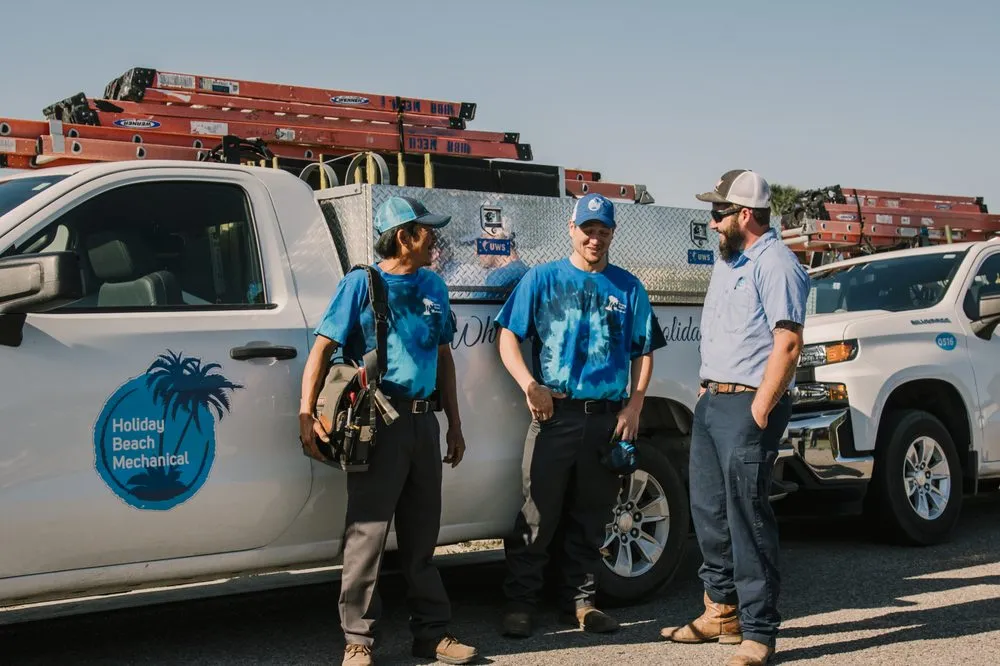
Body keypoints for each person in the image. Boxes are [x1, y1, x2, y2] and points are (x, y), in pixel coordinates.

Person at [299, 196, 479, 666]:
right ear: (404, 236)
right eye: (426, 231)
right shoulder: (361, 284)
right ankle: (358, 640)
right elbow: (321, 351)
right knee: (368, 535)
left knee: (422, 537)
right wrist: (305, 416)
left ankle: (432, 635)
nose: (434, 239)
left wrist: (454, 423)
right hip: (376, 423)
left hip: (423, 423)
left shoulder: (435, 287)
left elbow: (443, 357)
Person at [493, 192, 666, 637]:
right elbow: (508, 336)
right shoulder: (542, 279)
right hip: (555, 417)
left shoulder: (628, 287)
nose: (595, 238)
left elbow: (643, 350)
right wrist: (530, 384)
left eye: (603, 231)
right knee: (537, 515)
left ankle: (581, 602)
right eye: (587, 229)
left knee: (593, 516)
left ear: (612, 234)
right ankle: (520, 603)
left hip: (607, 419)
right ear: (572, 229)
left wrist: (634, 405)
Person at [659, 170, 809, 666]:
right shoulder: (730, 260)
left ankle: (759, 632)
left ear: (745, 215)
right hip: (714, 401)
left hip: (749, 405)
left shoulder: (777, 264)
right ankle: (720, 610)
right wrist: (707, 388)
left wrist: (761, 406)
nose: (711, 220)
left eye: (719, 212)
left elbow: (787, 343)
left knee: (747, 515)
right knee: (709, 510)